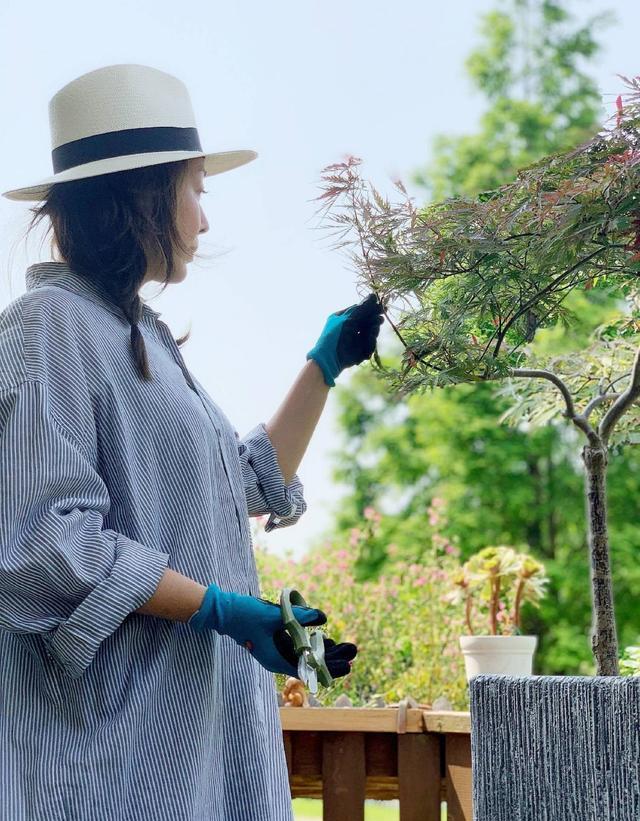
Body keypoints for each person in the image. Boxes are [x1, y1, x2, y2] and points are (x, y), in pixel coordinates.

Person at [0, 64, 384, 820]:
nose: (204, 219)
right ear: (143, 196)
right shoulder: (45, 328)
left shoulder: (135, 335)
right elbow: (47, 543)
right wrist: (223, 610)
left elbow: (228, 486)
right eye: (197, 189)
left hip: (189, 746)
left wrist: (324, 364)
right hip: (114, 762)